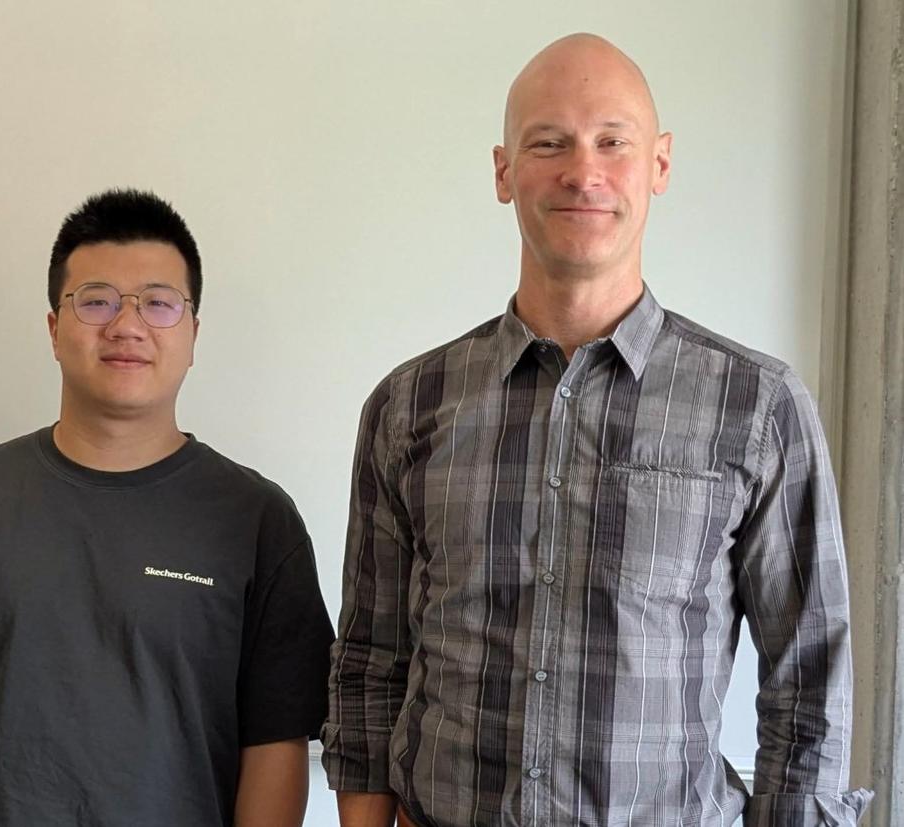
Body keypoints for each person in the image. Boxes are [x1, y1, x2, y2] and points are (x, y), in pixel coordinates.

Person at [322, 33, 872, 827]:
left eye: (613, 141)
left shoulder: (758, 406)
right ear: (504, 171)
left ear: (660, 164)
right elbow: (370, 661)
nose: (584, 171)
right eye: (548, 143)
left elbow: (810, 680)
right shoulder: (410, 404)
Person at [0, 189, 334, 826]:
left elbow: (275, 743)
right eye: (97, 301)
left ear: (193, 333)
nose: (127, 325)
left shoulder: (257, 519)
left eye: (159, 304)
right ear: (55, 329)